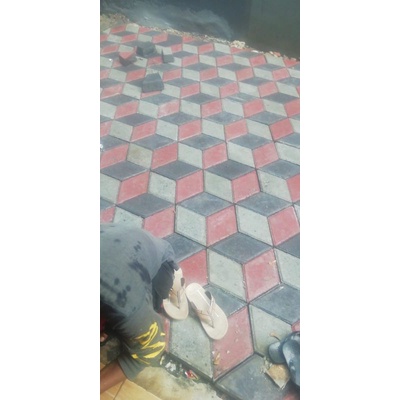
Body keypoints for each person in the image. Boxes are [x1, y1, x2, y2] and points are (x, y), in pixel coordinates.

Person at [100, 222, 179, 393]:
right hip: (116, 235)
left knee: (134, 331)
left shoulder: (124, 305)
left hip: (160, 261)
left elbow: (150, 351)